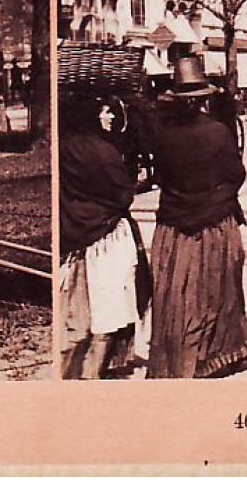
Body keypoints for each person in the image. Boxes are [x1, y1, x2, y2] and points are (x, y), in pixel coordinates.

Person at [147, 57, 247, 379]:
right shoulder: (218, 132)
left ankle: (180, 357)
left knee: (178, 294)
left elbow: (161, 177)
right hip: (214, 222)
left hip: (174, 226)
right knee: (219, 289)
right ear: (204, 98)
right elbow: (236, 174)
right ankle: (216, 355)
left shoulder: (162, 135)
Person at [59, 94, 147, 379]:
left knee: (78, 315)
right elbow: (123, 194)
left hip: (74, 237)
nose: (110, 118)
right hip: (105, 240)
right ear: (91, 115)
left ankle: (74, 372)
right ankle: (97, 372)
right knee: (108, 310)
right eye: (105, 112)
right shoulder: (102, 151)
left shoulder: (64, 146)